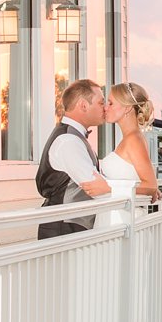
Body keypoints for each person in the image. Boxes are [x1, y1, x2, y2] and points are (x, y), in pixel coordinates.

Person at [36, 78, 111, 239]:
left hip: (70, 226)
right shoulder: (68, 141)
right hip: (64, 228)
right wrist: (136, 190)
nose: (105, 108)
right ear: (83, 105)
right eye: (100, 103)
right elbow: (95, 186)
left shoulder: (72, 136)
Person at [104, 81, 162, 202]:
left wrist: (106, 188)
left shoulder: (133, 140)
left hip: (125, 218)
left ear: (127, 108)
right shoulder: (131, 138)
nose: (106, 108)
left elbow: (151, 185)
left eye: (110, 103)